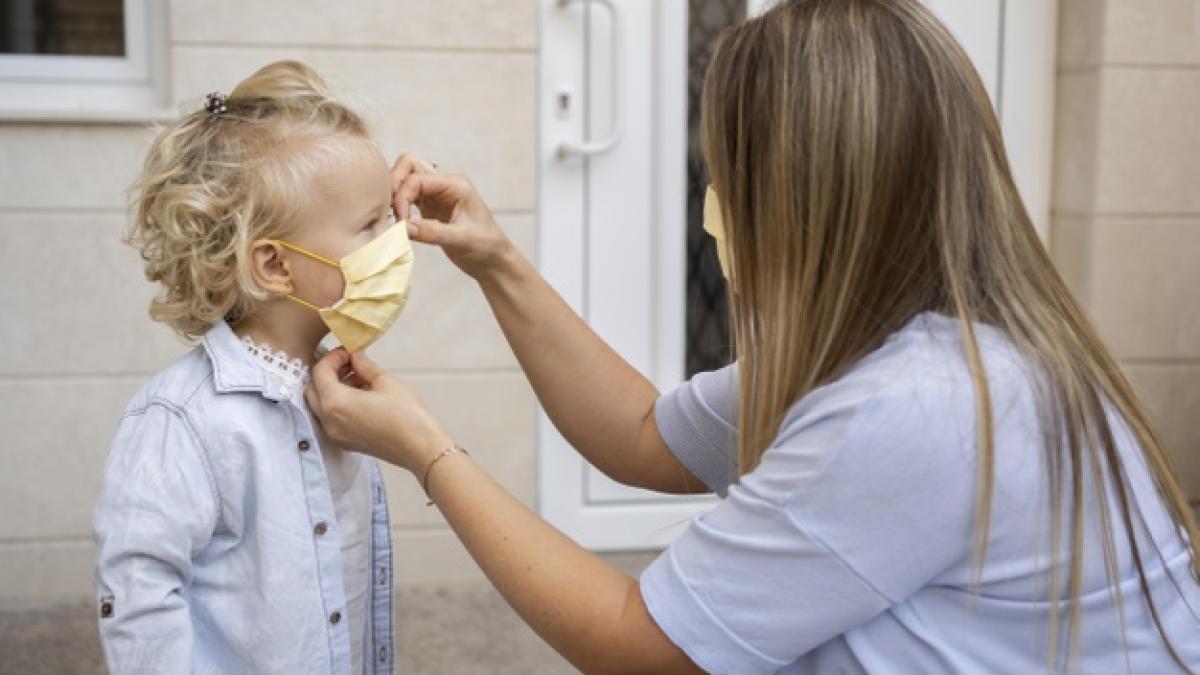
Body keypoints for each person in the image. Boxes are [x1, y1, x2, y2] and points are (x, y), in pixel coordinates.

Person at [309, 1, 1200, 673]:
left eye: (727, 176)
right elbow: (643, 434)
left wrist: (427, 451)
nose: (714, 207)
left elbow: (642, 646)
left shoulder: (922, 405)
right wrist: (497, 261)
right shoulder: (901, 343)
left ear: (812, 202)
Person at [93, 60, 413, 673]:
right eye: (370, 224)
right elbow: (139, 593)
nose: (396, 241)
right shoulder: (183, 420)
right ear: (275, 266)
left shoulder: (340, 392)